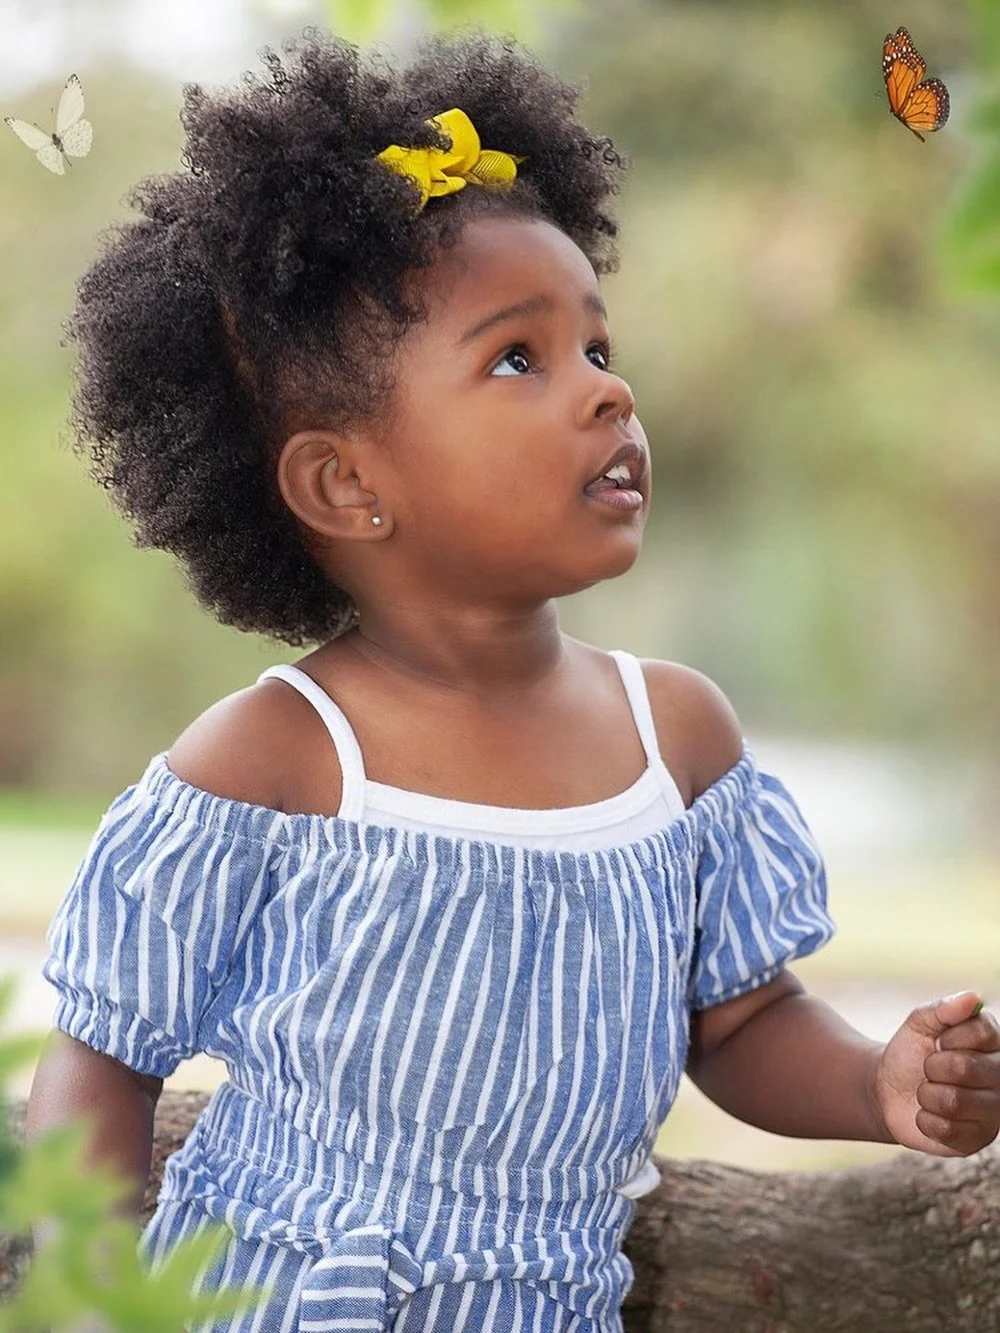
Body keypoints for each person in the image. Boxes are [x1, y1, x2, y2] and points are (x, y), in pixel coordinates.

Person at [26, 26, 1000, 1333]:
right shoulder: (276, 757)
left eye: (596, 348)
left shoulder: (676, 738)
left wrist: (881, 1080)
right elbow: (104, 1052)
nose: (609, 395)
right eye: (518, 360)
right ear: (345, 483)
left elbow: (746, 1022)